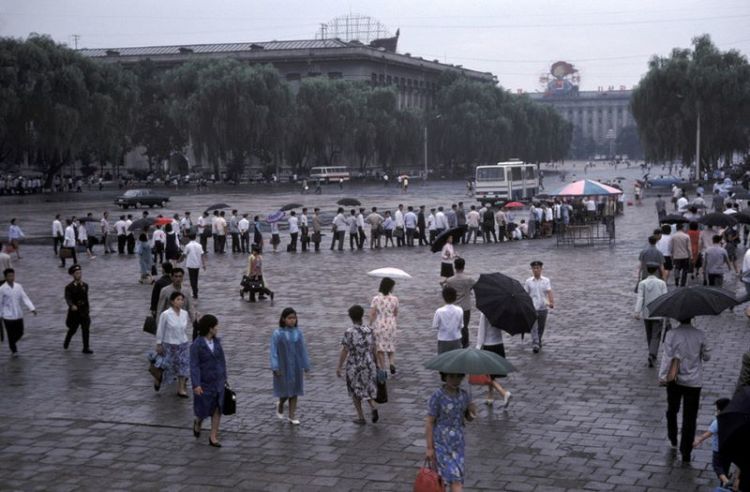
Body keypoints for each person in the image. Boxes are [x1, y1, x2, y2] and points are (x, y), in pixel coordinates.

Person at [658, 317, 711, 463]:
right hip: (694, 381)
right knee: (690, 417)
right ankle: (686, 450)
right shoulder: (700, 334)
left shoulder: (671, 334)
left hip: (675, 379)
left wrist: (662, 376)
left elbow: (667, 357)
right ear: (692, 317)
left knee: (672, 409)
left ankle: (673, 436)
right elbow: (707, 357)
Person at [425, 372, 476, 491]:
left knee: (456, 477)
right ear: (445, 376)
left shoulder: (464, 395)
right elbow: (430, 421)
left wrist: (472, 411)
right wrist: (429, 448)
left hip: (458, 444)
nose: (455, 380)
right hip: (441, 443)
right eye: (452, 376)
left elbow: (468, 418)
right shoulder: (438, 396)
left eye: (459, 376)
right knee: (450, 478)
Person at [336, 305, 379, 425]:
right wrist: (376, 363)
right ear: (362, 315)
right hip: (368, 362)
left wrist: (339, 366)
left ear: (351, 317)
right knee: (368, 387)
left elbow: (345, 350)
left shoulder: (349, 332)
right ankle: (373, 406)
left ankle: (361, 416)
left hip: (354, 364)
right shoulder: (369, 330)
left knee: (355, 390)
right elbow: (374, 348)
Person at [190, 314, 227, 448]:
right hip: (204, 382)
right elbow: (194, 365)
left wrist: (225, 379)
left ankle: (213, 436)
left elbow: (222, 361)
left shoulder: (217, 343)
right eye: (216, 326)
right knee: (203, 409)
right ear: (210, 328)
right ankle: (198, 421)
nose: (217, 328)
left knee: (217, 408)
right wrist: (196, 384)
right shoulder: (197, 345)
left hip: (217, 382)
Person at [270, 307, 311, 425]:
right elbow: (273, 351)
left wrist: (306, 364)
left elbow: (302, 349)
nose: (292, 320)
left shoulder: (298, 333)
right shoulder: (277, 333)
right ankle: (281, 403)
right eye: (289, 318)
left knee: (295, 390)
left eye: (294, 318)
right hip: (283, 366)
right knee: (285, 390)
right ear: (283, 319)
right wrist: (275, 366)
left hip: (296, 366)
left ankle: (292, 415)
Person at [155, 291, 191, 397]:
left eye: (182, 299)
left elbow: (183, 328)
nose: (180, 302)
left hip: (183, 343)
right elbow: (161, 329)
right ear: (172, 301)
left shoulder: (185, 314)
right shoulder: (166, 314)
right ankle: (157, 378)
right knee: (167, 366)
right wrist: (159, 343)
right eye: (178, 299)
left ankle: (181, 389)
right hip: (169, 344)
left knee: (183, 366)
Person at [692, 397, 733, 488]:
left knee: (717, 466)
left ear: (719, 410)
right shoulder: (733, 420)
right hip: (729, 449)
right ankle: (724, 484)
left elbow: (708, 434)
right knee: (725, 466)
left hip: (718, 449)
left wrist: (698, 440)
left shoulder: (717, 422)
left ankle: (726, 481)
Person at [634, 264, 668, 367]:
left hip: (646, 313)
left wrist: (637, 312)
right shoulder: (662, 283)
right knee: (656, 335)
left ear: (648, 271)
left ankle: (651, 352)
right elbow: (664, 298)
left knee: (649, 334)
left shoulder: (642, 283)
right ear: (657, 271)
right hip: (658, 312)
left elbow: (640, 298)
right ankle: (652, 354)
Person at [475, 313, 512, 407]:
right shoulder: (501, 312)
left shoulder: (484, 313)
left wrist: (478, 346)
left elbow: (481, 330)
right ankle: (490, 396)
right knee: (491, 373)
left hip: (489, 345)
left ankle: (503, 392)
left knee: (487, 375)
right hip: (499, 344)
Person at [0, 268, 36, 356]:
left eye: (13, 275)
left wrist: (32, 308)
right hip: (7, 315)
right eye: (9, 276)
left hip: (18, 314)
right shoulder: (2, 289)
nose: (11, 278)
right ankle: (14, 350)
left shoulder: (18, 286)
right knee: (10, 333)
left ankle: (12, 343)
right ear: (5, 277)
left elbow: (25, 297)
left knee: (20, 332)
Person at [369, 277, 400, 374]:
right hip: (391, 324)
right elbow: (395, 313)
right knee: (390, 345)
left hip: (379, 324)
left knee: (380, 348)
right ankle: (391, 363)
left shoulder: (376, 299)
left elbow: (372, 313)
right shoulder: (394, 299)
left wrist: (370, 324)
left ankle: (383, 368)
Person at [445, 258, 476, 349]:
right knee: (465, 327)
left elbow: (447, 291)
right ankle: (465, 344)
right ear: (463, 266)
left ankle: (455, 343)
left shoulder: (450, 280)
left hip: (454, 306)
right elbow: (475, 286)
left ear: (455, 267)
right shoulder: (468, 279)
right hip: (465, 306)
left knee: (454, 326)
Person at [524, 261, 554, 353]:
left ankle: (539, 339)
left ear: (541, 269)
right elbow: (525, 294)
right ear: (532, 269)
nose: (536, 270)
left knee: (541, 326)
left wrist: (551, 302)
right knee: (533, 327)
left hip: (543, 306)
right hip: (532, 308)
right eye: (534, 268)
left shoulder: (546, 280)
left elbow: (549, 292)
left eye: (538, 268)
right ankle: (535, 343)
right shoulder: (528, 281)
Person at [63, 265, 92, 354]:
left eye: (80, 273)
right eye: (77, 273)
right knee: (73, 329)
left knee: (86, 329)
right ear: (73, 275)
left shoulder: (85, 285)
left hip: (84, 312)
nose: (79, 275)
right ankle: (67, 340)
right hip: (75, 313)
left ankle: (86, 348)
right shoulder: (69, 287)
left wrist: (88, 309)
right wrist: (71, 305)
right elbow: (68, 298)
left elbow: (86, 299)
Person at [432, 286, 463, 354]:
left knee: (443, 359)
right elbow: (461, 325)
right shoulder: (459, 310)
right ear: (455, 298)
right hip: (456, 338)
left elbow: (435, 326)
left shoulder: (439, 311)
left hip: (443, 338)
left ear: (444, 297)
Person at [182, 234, 206, 299]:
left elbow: (184, 254)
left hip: (190, 264)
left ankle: (195, 292)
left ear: (189, 238)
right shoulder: (199, 245)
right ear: (195, 237)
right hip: (197, 264)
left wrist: (179, 260)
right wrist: (204, 264)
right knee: (195, 278)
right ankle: (195, 291)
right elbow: (202, 255)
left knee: (192, 279)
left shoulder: (188, 246)